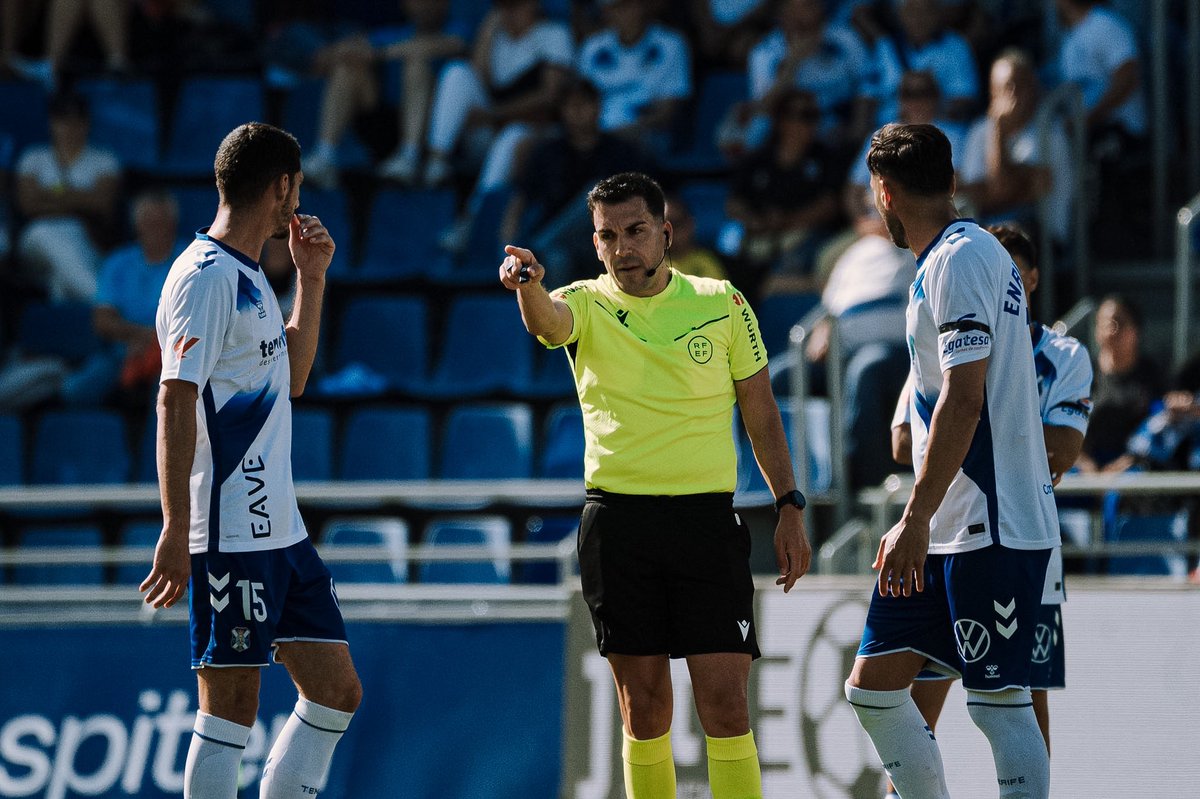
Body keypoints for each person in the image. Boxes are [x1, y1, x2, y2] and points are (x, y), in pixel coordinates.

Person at [499, 171, 811, 798]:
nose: (622, 248)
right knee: (644, 711)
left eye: (636, 231)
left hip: (705, 524)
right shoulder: (584, 301)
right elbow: (548, 323)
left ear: (666, 233)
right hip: (619, 526)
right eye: (607, 236)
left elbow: (761, 410)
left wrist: (788, 505)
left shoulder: (721, 302)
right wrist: (526, 285)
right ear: (595, 244)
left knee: (725, 706)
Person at [139, 122, 362, 799]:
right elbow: (173, 401)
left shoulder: (251, 275)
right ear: (284, 186)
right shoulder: (204, 277)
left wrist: (312, 280)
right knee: (229, 704)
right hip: (228, 530)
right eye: (298, 187)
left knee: (335, 690)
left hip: (281, 533)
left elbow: (290, 377)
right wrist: (178, 529)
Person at [844, 123, 1059, 799]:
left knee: (998, 705)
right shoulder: (949, 257)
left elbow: (965, 402)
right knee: (874, 688)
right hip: (947, 527)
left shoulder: (961, 259)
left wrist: (914, 516)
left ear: (883, 192)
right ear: (953, 179)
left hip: (987, 524)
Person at [886, 223, 1093, 798]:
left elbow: (1063, 449)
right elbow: (902, 440)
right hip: (948, 526)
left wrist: (968, 427)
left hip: (1020, 529)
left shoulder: (1062, 354)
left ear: (1028, 278)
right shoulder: (942, 335)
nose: (1009, 280)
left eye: (1018, 270)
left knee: (1021, 692)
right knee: (915, 685)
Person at [300, 0, 470, 188]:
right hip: (384, 123)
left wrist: (381, 52)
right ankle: (325, 155)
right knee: (347, 69)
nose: (423, 5)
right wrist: (335, 53)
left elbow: (449, 45)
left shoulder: (458, 28)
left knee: (416, 64)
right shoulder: (398, 32)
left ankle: (409, 156)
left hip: (432, 136)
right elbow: (359, 47)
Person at [805, 198, 914, 491]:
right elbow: (827, 310)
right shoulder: (853, 255)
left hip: (896, 352)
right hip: (842, 348)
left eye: (879, 211)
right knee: (778, 376)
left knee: (865, 370)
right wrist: (823, 330)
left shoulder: (915, 246)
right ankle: (785, 486)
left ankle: (865, 489)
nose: (873, 218)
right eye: (869, 212)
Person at [957, 49, 1073, 253]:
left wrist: (999, 132)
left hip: (1043, 236)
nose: (1012, 96)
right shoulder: (979, 131)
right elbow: (972, 194)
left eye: (1020, 87)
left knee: (1003, 239)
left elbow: (1003, 190)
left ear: (1034, 88)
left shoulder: (1051, 133)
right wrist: (1007, 188)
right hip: (989, 229)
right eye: (1004, 88)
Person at [15, 89, 121, 302]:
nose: (69, 128)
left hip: (87, 239)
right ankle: (100, 301)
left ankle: (69, 327)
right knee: (45, 232)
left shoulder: (104, 160)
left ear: (86, 123)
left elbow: (101, 203)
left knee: (60, 281)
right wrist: (80, 200)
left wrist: (48, 195)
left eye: (76, 121)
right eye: (62, 121)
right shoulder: (33, 158)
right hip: (36, 242)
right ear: (52, 123)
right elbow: (28, 205)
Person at [93, 189, 185, 401]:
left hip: (175, 355)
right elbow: (102, 321)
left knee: (168, 393)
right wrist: (140, 337)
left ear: (173, 224)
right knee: (75, 390)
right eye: (147, 222)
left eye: (160, 222)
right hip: (123, 350)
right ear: (137, 226)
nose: (154, 229)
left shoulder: (191, 261)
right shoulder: (118, 262)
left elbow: (196, 319)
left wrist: (154, 342)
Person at [1076, 293, 1163, 474]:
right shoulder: (1082, 374)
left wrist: (1120, 467)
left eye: (1118, 323)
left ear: (1136, 330)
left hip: (1134, 465)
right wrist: (1087, 467)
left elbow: (1157, 428)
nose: (1110, 330)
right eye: (1104, 323)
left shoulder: (1153, 376)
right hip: (1084, 464)